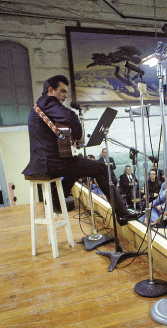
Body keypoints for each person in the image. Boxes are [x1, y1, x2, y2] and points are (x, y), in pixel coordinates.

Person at [22, 75, 141, 226]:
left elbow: (53, 134)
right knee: (101, 169)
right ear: (50, 90)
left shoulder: (41, 106)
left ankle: (57, 201)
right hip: (49, 163)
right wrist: (79, 137)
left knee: (76, 167)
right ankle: (122, 214)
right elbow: (70, 116)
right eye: (62, 91)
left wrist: (70, 139)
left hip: (43, 161)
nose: (65, 95)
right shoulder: (47, 101)